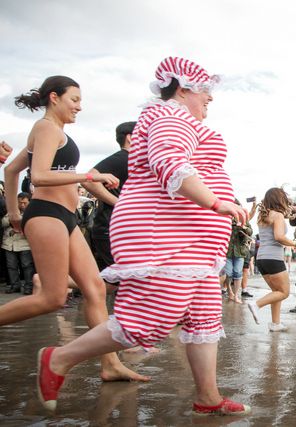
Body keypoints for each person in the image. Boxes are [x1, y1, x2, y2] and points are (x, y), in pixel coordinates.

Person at [30, 57, 250, 416]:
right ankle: (59, 358)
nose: (210, 97)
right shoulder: (169, 116)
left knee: (204, 314)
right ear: (183, 89)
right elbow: (169, 162)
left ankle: (208, 397)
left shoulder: (180, 118)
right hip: (161, 231)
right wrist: (215, 202)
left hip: (191, 238)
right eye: (205, 90)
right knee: (154, 313)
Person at [2, 75, 144, 384]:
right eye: (75, 100)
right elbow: (38, 176)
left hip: (64, 217)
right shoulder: (46, 128)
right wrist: (89, 176)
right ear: (54, 97)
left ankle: (110, 364)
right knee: (52, 298)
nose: (79, 107)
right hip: (47, 214)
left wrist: (14, 214)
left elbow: (11, 170)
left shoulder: (54, 132)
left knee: (94, 288)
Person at [81, 121, 135, 291]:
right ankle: (53, 286)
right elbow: (88, 180)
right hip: (110, 228)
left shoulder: (134, 161)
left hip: (120, 229)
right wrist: (120, 204)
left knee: (113, 283)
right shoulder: (123, 158)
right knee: (126, 281)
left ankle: (54, 285)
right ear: (130, 138)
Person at [247, 188, 296, 331]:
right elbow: (279, 237)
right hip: (273, 258)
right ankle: (256, 305)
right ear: (278, 199)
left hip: (261, 258)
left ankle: (275, 324)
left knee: (276, 291)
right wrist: (295, 243)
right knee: (284, 292)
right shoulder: (277, 215)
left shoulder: (262, 216)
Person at [2, 192, 35, 294]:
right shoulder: (11, 211)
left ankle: (29, 286)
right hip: (9, 243)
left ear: (29, 202)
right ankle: (15, 285)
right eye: (20, 203)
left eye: (25, 203)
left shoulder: (32, 213)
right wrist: (12, 218)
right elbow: (3, 223)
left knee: (27, 266)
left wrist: (20, 227)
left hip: (25, 243)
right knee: (11, 266)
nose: (22, 205)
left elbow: (33, 227)